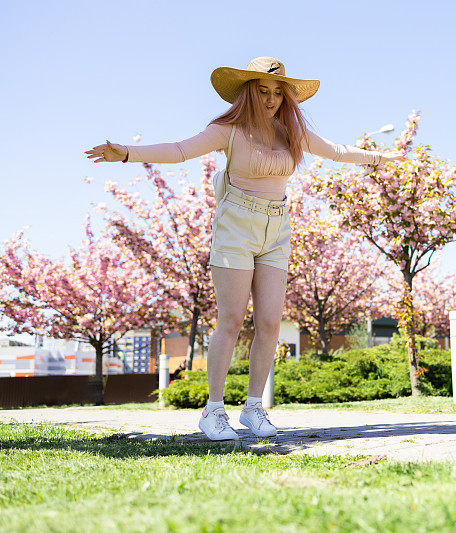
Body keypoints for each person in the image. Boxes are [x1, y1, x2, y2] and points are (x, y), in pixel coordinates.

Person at [85, 56, 405, 441]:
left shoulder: (291, 132)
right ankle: (214, 411)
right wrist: (127, 153)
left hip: (276, 228)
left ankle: (254, 409)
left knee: (270, 322)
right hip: (235, 227)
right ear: (248, 93)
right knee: (232, 319)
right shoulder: (228, 130)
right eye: (263, 91)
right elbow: (180, 149)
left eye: (277, 92)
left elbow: (336, 151)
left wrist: (379, 158)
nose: (271, 99)